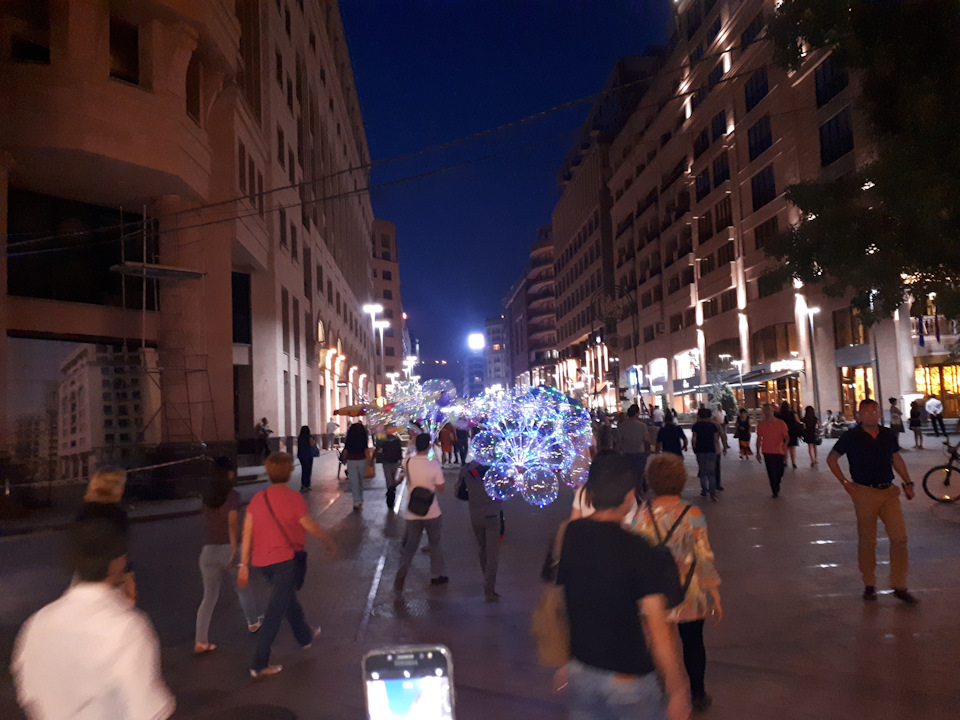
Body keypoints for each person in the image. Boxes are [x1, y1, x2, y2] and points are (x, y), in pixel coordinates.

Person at [556, 452, 689, 720]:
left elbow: (563, 601)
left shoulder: (571, 534)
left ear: (589, 494)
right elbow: (658, 629)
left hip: (582, 670)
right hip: (627, 680)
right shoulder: (639, 550)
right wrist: (677, 689)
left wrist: (563, 660)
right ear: (630, 497)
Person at [12, 520, 176, 720]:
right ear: (117, 563)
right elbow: (145, 708)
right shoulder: (125, 628)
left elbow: (28, 691)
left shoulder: (38, 622)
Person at [627, 453, 722, 713]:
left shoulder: (641, 515)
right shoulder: (692, 514)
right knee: (694, 644)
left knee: (660, 642)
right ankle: (698, 694)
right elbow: (704, 557)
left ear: (651, 480)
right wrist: (714, 592)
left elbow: (634, 556)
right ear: (680, 479)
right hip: (690, 592)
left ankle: (664, 691)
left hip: (654, 594)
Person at [238, 453, 336, 678]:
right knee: (275, 611)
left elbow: (247, 532)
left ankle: (304, 637)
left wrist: (243, 564)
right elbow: (309, 525)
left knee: (287, 599)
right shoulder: (293, 498)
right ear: (290, 472)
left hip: (262, 563)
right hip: (284, 561)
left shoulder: (258, 498)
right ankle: (259, 664)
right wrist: (327, 541)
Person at [827, 399, 917, 604]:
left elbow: (896, 459)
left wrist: (908, 482)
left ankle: (899, 585)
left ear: (879, 414)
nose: (870, 415)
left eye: (874, 411)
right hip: (864, 492)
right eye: (865, 412)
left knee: (900, 538)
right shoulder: (851, 437)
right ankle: (869, 583)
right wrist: (845, 483)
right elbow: (831, 459)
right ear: (858, 415)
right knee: (868, 541)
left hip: (889, 492)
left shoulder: (887, 434)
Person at [194, 458, 262, 655]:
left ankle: (200, 640)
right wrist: (234, 549)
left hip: (208, 551)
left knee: (209, 597)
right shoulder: (232, 496)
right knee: (243, 588)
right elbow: (232, 523)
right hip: (228, 550)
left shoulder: (206, 497)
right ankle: (253, 623)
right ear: (229, 473)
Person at [394, 434, 448, 591]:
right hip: (432, 511)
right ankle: (436, 576)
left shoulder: (407, 461)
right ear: (429, 446)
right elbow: (441, 488)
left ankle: (402, 572)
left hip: (412, 512)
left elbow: (402, 474)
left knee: (410, 545)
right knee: (435, 544)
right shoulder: (434, 465)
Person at [76, 466, 136, 603]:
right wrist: (129, 581)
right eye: (121, 485)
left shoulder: (83, 513)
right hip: (109, 579)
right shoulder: (117, 514)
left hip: (85, 578)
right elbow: (122, 551)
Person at [459, 460, 502, 601]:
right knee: (492, 553)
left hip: (475, 515)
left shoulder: (466, 469)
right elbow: (505, 491)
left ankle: (486, 578)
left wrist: (473, 496)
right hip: (492, 514)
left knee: (482, 548)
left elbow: (459, 493)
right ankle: (489, 588)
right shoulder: (497, 468)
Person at [756, 403, 790, 497]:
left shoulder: (780, 423)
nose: (767, 412)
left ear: (773, 411)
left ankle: (777, 483)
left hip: (779, 450)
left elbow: (787, 437)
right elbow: (759, 438)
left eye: (769, 410)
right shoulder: (761, 424)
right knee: (771, 472)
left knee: (780, 471)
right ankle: (774, 490)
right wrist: (758, 452)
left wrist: (785, 445)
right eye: (765, 410)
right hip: (767, 451)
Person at [616, 403, 650, 497]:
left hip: (627, 453)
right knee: (639, 475)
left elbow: (619, 441)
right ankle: (638, 493)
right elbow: (646, 440)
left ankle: (631, 493)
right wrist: (648, 451)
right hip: (640, 453)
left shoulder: (622, 426)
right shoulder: (642, 426)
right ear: (637, 413)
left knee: (629, 475)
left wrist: (617, 452)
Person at [691, 408, 721, 501]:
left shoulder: (696, 426)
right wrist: (717, 449)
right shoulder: (713, 426)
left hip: (700, 450)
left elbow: (694, 438)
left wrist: (694, 447)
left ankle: (704, 491)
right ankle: (712, 494)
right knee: (711, 473)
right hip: (711, 450)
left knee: (703, 472)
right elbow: (715, 439)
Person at [376, 424, 405, 510]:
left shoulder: (383, 439)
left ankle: (390, 494)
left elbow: (378, 447)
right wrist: (400, 460)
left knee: (389, 479)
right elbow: (399, 451)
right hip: (394, 461)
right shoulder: (396, 439)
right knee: (392, 477)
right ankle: (391, 491)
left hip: (386, 461)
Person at [343, 421, 369, 510]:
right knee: (360, 480)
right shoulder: (363, 437)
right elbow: (366, 449)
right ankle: (360, 498)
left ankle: (356, 501)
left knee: (354, 482)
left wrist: (344, 459)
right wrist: (369, 461)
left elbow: (345, 449)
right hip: (362, 460)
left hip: (351, 460)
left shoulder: (349, 438)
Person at [710, 407, 730, 490]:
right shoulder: (716, 425)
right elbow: (722, 436)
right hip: (715, 449)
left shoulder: (698, 425)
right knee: (716, 468)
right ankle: (716, 485)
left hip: (703, 450)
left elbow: (695, 438)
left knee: (706, 469)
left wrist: (695, 447)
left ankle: (706, 487)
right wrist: (724, 447)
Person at [777, 402, 801, 469]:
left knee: (785, 448)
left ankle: (786, 462)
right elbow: (798, 421)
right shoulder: (792, 413)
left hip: (783, 432)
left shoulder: (780, 414)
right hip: (792, 432)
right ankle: (793, 463)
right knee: (792, 449)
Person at [296, 426, 316, 491]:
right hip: (308, 455)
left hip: (301, 455)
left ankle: (303, 484)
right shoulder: (309, 437)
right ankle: (307, 485)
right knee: (308, 470)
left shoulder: (300, 437)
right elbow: (312, 444)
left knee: (304, 469)